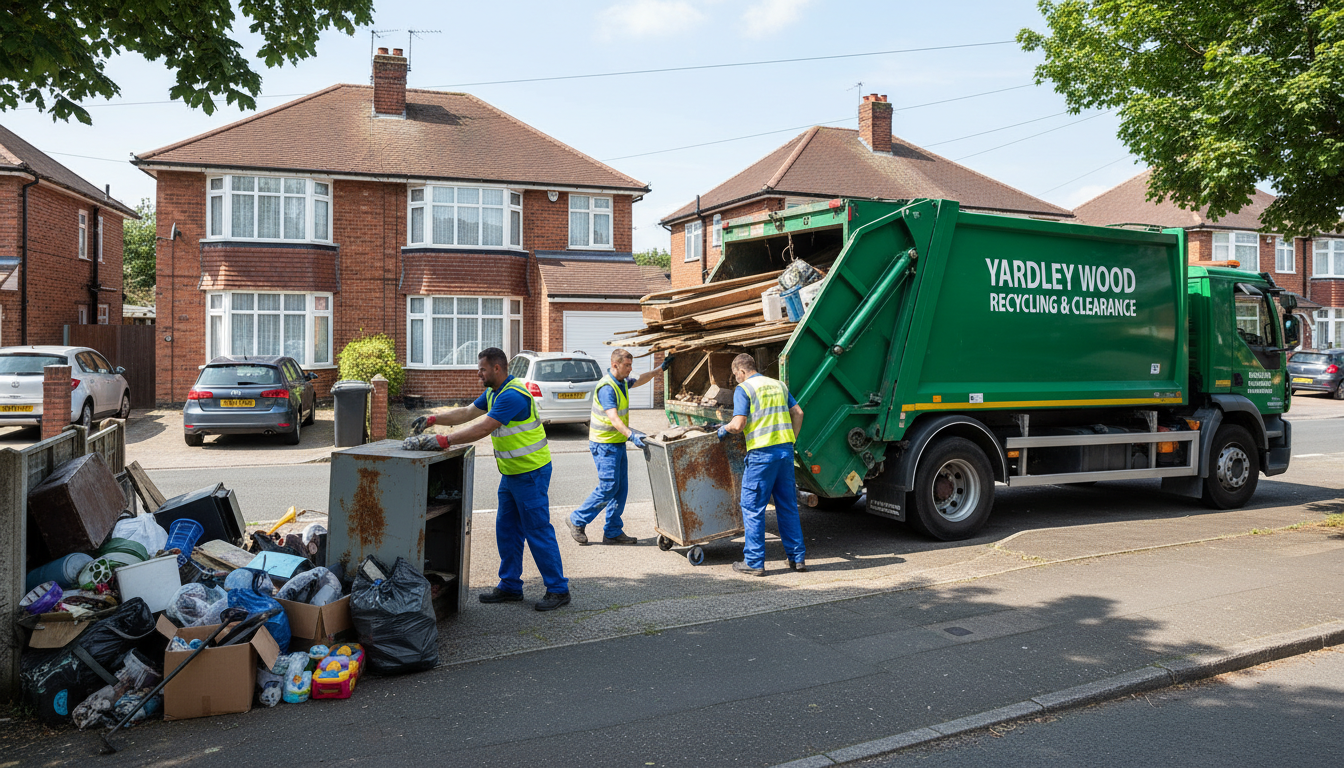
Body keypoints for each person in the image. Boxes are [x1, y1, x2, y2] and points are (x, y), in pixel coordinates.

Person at [404, 347, 570, 611]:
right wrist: (434, 418)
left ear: (497, 368)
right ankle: (510, 586)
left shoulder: (512, 395)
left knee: (537, 531)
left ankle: (558, 589)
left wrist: (443, 440)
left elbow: (484, 426)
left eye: (482, 369)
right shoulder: (494, 392)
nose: (478, 373)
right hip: (512, 474)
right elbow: (468, 412)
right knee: (507, 530)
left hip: (530, 473)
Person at [565, 349, 670, 545]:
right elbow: (613, 418)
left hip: (616, 442)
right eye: (627, 365)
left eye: (630, 365)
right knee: (609, 486)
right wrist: (631, 435)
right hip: (604, 444)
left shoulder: (622, 381)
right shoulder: (607, 388)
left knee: (620, 488)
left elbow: (640, 379)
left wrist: (660, 369)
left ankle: (612, 531)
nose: (630, 369)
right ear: (615, 365)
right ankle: (576, 519)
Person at [717, 353, 806, 576]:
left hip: (761, 456)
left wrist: (724, 429)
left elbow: (738, 424)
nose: (735, 379)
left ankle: (754, 562)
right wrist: (791, 440)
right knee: (788, 506)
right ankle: (797, 559)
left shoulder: (745, 389)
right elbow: (798, 412)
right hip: (784, 453)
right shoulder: (778, 385)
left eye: (735, 374)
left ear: (741, 371)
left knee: (752, 507)